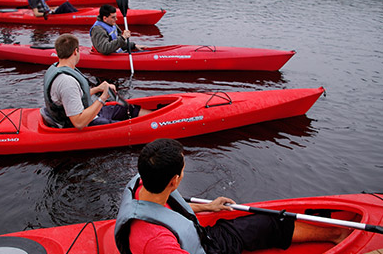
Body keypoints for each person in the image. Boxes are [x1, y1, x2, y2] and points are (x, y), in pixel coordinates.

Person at [115, 138, 351, 254]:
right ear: (174, 181)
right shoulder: (159, 244)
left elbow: (168, 211)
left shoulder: (141, 183)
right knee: (271, 224)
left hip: (200, 236)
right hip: (207, 248)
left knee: (255, 224)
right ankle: (338, 234)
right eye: (184, 169)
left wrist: (209, 207)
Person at [40, 34, 151, 130]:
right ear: (76, 51)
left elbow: (73, 96)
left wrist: (98, 89)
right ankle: (154, 125)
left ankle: (154, 119)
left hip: (89, 113)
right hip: (85, 123)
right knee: (125, 126)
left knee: (128, 109)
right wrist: (103, 98)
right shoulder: (67, 82)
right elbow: (79, 123)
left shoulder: (56, 67)